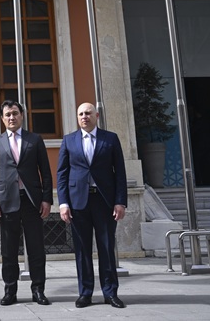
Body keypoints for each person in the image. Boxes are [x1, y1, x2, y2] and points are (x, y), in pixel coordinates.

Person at [57, 102, 128, 309]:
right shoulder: (69, 140)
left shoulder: (110, 138)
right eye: (80, 114)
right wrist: (63, 203)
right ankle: (85, 293)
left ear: (96, 115)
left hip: (104, 201)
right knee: (82, 250)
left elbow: (120, 173)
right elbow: (62, 174)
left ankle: (110, 293)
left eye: (88, 113)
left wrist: (120, 201)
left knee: (106, 248)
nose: (84, 117)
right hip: (78, 202)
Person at [0, 99, 53, 306]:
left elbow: (46, 173)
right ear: (2, 118)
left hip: (32, 201)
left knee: (36, 248)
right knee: (9, 250)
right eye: (7, 114)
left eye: (15, 113)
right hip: (7, 203)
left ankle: (38, 290)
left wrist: (47, 199)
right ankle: (10, 291)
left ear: (21, 115)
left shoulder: (35, 140)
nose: (11, 117)